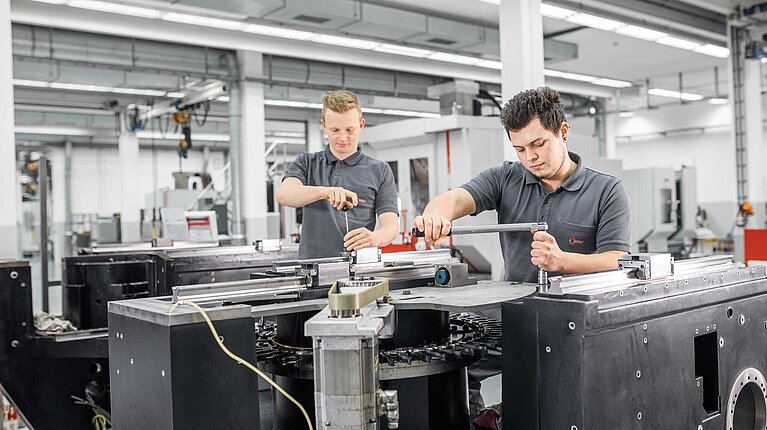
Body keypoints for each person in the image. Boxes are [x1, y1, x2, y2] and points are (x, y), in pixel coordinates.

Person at [412, 87, 631, 425]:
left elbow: (618, 260)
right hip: (512, 318)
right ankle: (482, 421)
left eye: (538, 144)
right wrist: (434, 214)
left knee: (566, 404)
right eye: (520, 149)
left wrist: (565, 262)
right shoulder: (506, 178)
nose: (530, 157)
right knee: (456, 366)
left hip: (576, 324)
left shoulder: (606, 190)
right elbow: (456, 199)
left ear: (563, 131)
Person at [277, 90, 400, 259]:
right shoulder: (307, 162)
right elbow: (284, 195)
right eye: (335, 130)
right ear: (324, 125)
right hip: (313, 271)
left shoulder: (380, 170)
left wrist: (375, 237)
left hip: (360, 270)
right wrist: (325, 192)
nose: (343, 137)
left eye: (350, 130)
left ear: (361, 125)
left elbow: (391, 226)